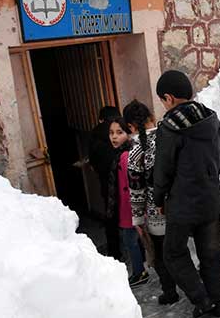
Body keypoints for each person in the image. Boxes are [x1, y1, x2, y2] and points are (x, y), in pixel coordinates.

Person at [153, 70, 220, 317]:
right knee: (211, 253)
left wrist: (159, 198)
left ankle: (202, 300)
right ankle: (217, 302)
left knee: (173, 253)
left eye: (162, 100)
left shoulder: (169, 128)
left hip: (182, 205)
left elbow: (163, 169)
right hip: (209, 200)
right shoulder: (212, 120)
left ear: (169, 98)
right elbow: (219, 160)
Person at [123, 100, 178, 303]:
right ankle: (194, 289)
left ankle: (170, 292)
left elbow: (136, 191)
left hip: (156, 214)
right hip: (177, 204)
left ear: (130, 127)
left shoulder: (135, 152)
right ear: (152, 118)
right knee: (179, 251)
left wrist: (137, 221)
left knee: (161, 256)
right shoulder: (167, 139)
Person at [106, 116, 149, 287]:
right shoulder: (122, 154)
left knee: (131, 242)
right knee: (133, 241)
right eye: (111, 133)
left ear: (128, 133)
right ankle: (141, 270)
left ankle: (140, 273)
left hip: (129, 209)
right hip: (127, 209)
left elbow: (131, 187)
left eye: (119, 132)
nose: (114, 137)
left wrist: (136, 213)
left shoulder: (125, 156)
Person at [89, 106, 123, 261]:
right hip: (125, 182)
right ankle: (141, 253)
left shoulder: (95, 135)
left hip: (107, 184)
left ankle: (115, 254)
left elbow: (93, 161)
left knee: (111, 219)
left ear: (100, 119)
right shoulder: (122, 131)